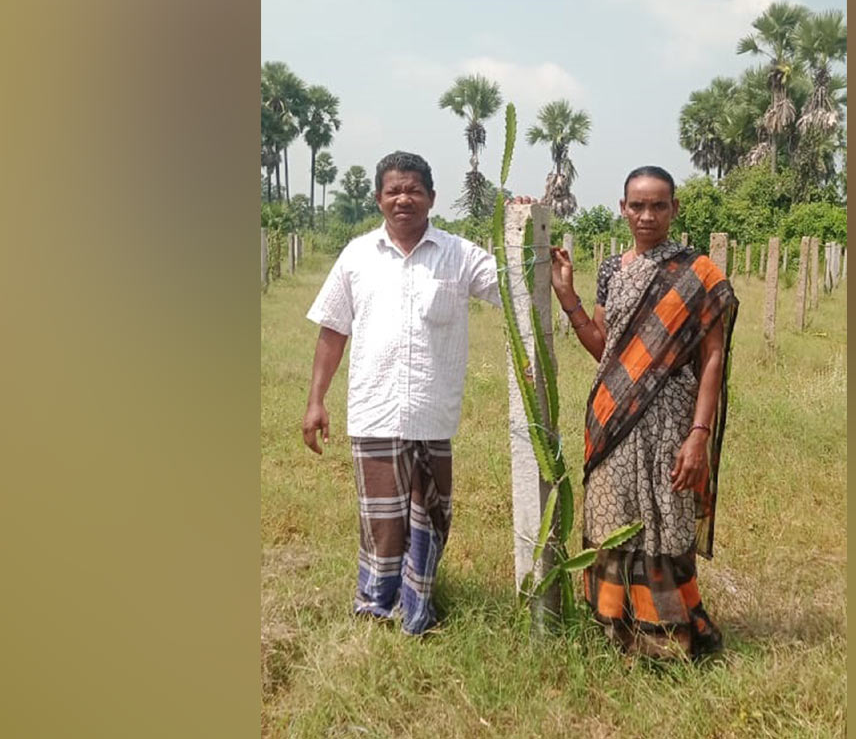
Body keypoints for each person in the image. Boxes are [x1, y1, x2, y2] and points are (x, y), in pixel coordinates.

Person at [302, 151, 500, 636]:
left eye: (414, 190)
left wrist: (525, 230)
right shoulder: (357, 256)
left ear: (432, 198)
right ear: (378, 199)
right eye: (394, 190)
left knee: (432, 518)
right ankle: (374, 607)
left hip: (433, 413)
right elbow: (333, 329)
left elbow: (513, 289)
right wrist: (316, 400)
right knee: (382, 520)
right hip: (375, 409)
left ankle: (417, 609)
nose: (403, 198)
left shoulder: (460, 255)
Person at [549, 165, 738, 659]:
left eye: (658, 205)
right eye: (637, 205)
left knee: (666, 517)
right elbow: (603, 346)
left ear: (675, 209)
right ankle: (614, 631)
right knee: (612, 515)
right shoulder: (613, 270)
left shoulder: (699, 275)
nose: (647, 215)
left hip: (672, 419)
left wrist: (698, 434)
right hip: (611, 417)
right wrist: (567, 295)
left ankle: (669, 637)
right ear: (623, 208)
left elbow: (712, 357)